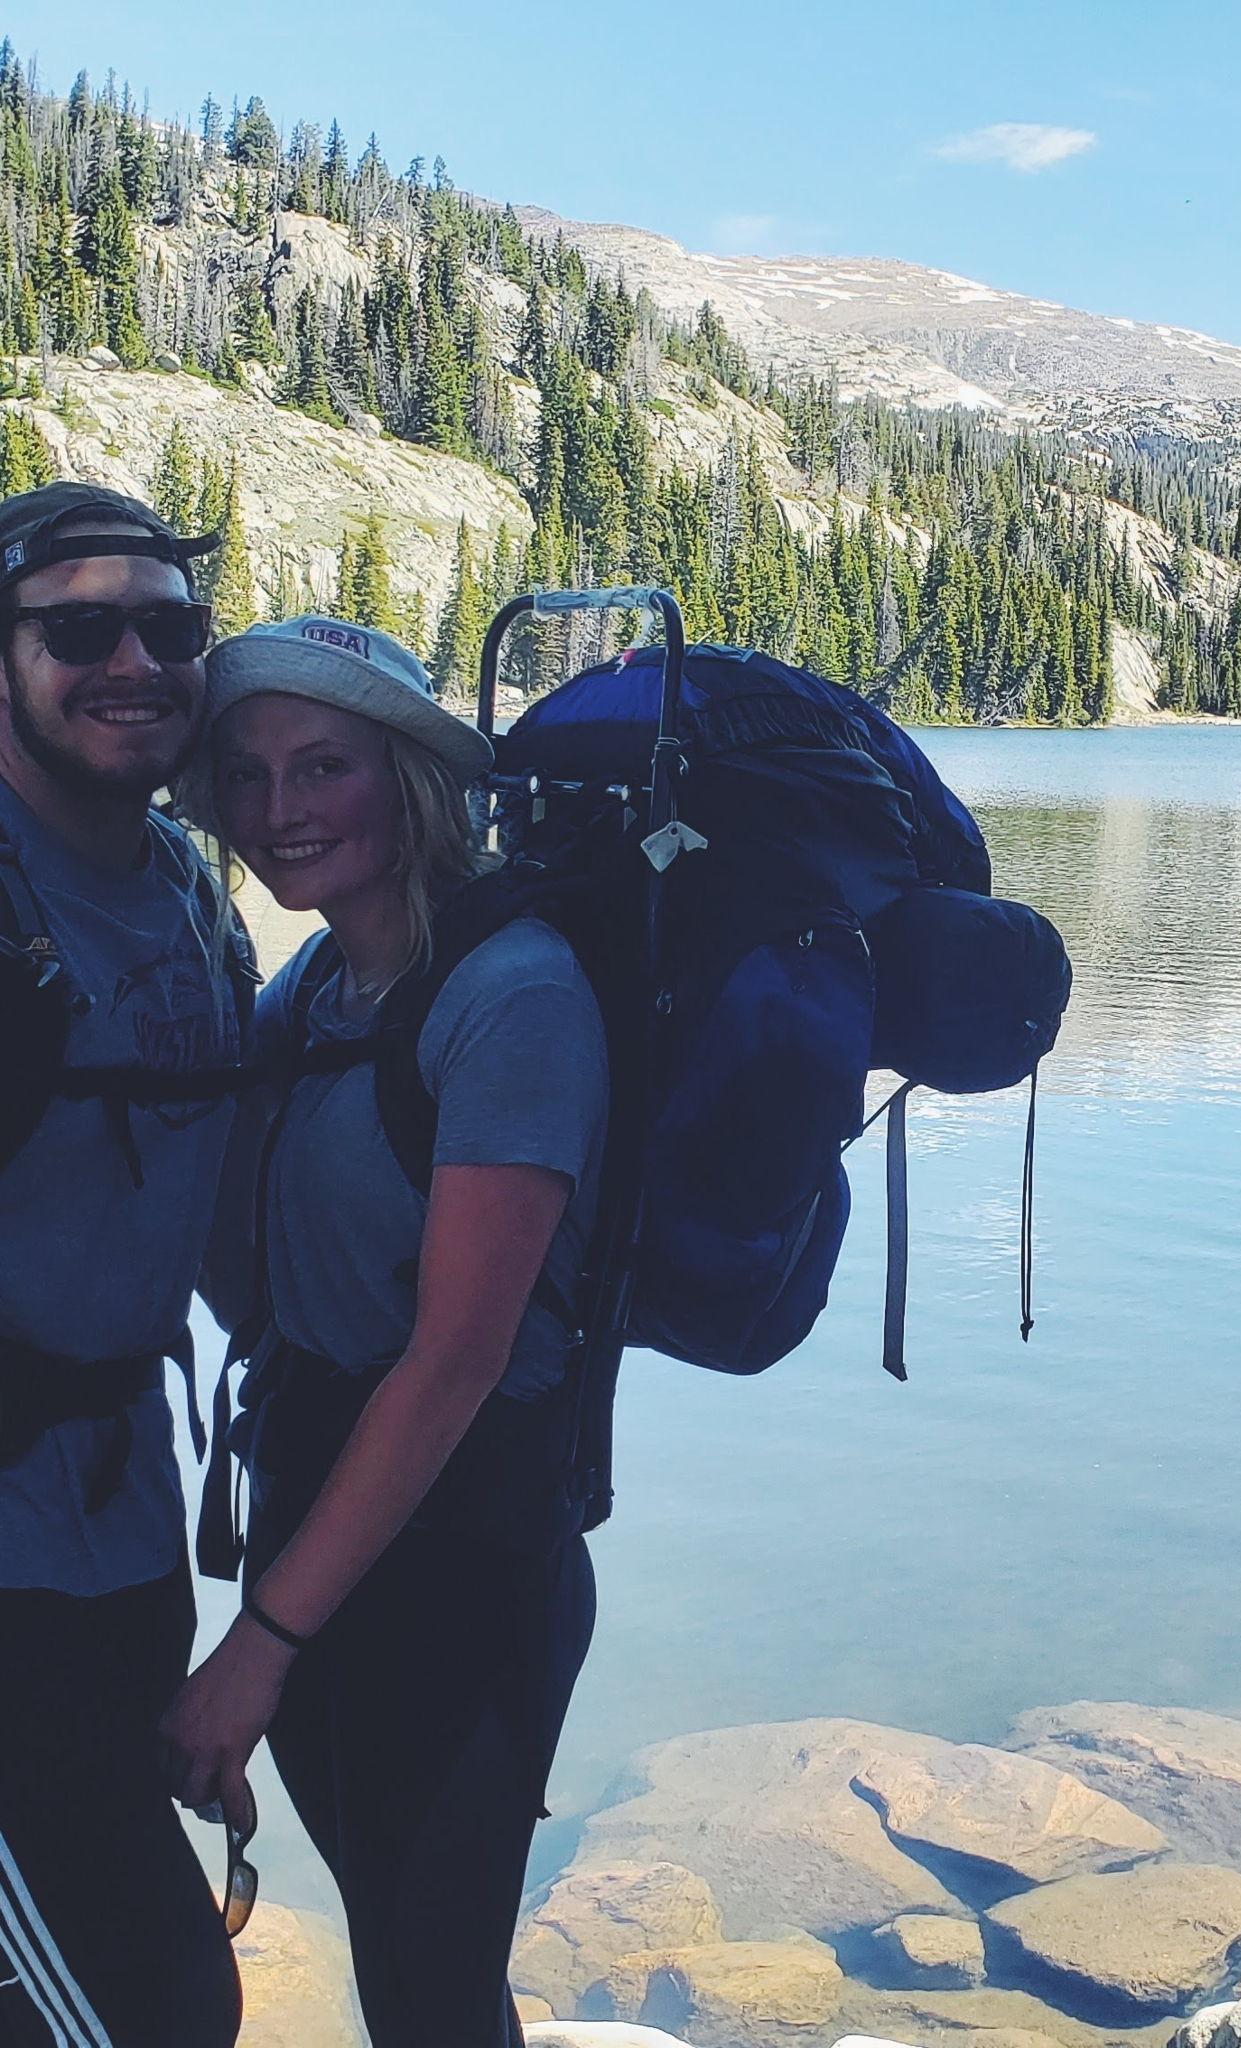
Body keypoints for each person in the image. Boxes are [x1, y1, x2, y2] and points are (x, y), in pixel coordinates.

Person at [159, 615, 606, 2047]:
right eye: (245, 773)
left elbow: (454, 1362)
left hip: (464, 1572)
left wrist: (260, 1645)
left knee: (429, 1994)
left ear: (409, 777)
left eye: (323, 766)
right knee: (418, 1979)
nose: (278, 810)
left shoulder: (516, 998)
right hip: (327, 1540)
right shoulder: (318, 989)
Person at [0, 484, 243, 2048]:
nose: (132, 660)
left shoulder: (185, 892)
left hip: (125, 1535)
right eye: (77, 629)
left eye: (168, 626)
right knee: (150, 2007)